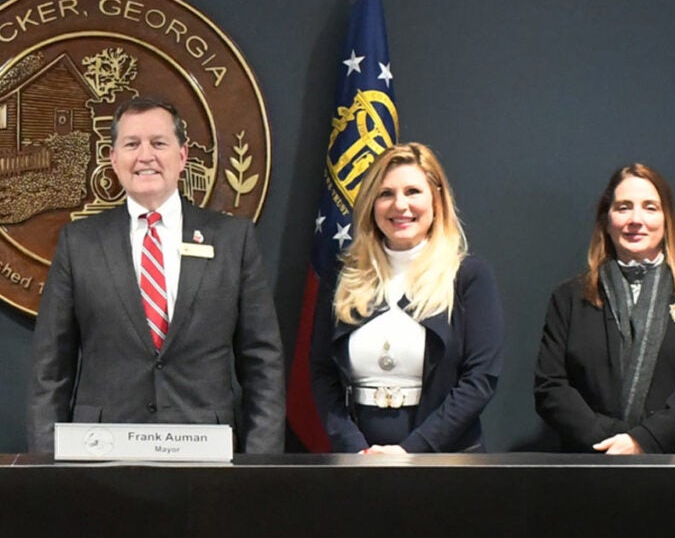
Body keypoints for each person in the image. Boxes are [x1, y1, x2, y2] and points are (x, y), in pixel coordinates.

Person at [26, 96, 285, 453]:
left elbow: (262, 363)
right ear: (113, 159)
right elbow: (51, 368)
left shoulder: (233, 240)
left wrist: (261, 466)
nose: (145, 155)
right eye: (131, 144)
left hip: (207, 457)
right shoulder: (79, 242)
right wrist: (46, 467)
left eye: (158, 143)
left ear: (182, 156)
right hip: (101, 459)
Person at [309, 143, 502, 453]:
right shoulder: (342, 276)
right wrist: (355, 449)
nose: (400, 205)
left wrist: (411, 452)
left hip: (446, 465)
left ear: (437, 200)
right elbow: (322, 372)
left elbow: (480, 379)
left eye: (413, 192)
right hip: (360, 464)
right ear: (371, 203)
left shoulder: (467, 276)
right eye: (386, 194)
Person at [534, 164, 675, 454]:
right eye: (624, 207)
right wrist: (613, 441)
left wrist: (645, 440)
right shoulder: (568, 298)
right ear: (606, 220)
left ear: (668, 219)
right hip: (591, 464)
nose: (636, 219)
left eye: (650, 207)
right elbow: (550, 387)